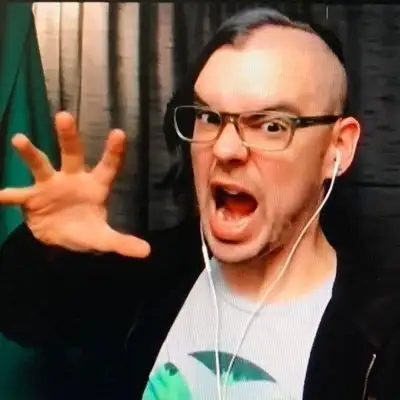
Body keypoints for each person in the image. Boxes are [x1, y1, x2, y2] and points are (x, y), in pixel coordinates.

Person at [0, 6, 399, 400]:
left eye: (272, 125)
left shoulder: (380, 335)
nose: (224, 149)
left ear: (337, 148)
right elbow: (21, 317)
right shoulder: (151, 275)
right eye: (208, 117)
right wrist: (46, 248)